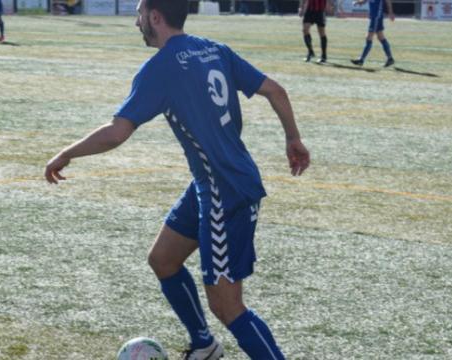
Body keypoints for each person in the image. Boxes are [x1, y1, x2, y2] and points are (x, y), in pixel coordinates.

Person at [44, 0, 311, 358]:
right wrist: (293, 138)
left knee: (228, 306)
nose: (137, 22)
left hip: (224, 192)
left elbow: (115, 133)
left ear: (155, 17)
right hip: (213, 181)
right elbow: (276, 91)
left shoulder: (161, 68)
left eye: (139, 14)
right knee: (163, 259)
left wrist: (67, 153)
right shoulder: (214, 49)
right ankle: (203, 345)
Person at [350, 0, 394, 67]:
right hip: (375, 16)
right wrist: (358, 2)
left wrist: (390, 12)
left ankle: (361, 60)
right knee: (380, 37)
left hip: (376, 16)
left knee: (369, 37)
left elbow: (388, 1)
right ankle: (390, 59)